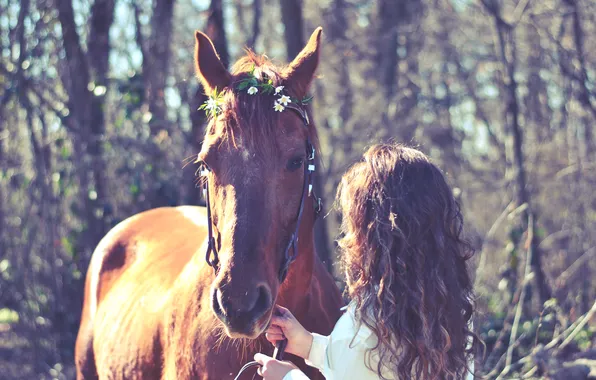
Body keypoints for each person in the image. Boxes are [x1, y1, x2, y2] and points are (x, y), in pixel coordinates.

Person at [254, 143, 479, 380]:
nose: (349, 237)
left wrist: (288, 378)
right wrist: (308, 345)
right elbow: (363, 368)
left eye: (354, 224)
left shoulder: (373, 320)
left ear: (376, 235)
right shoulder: (452, 305)